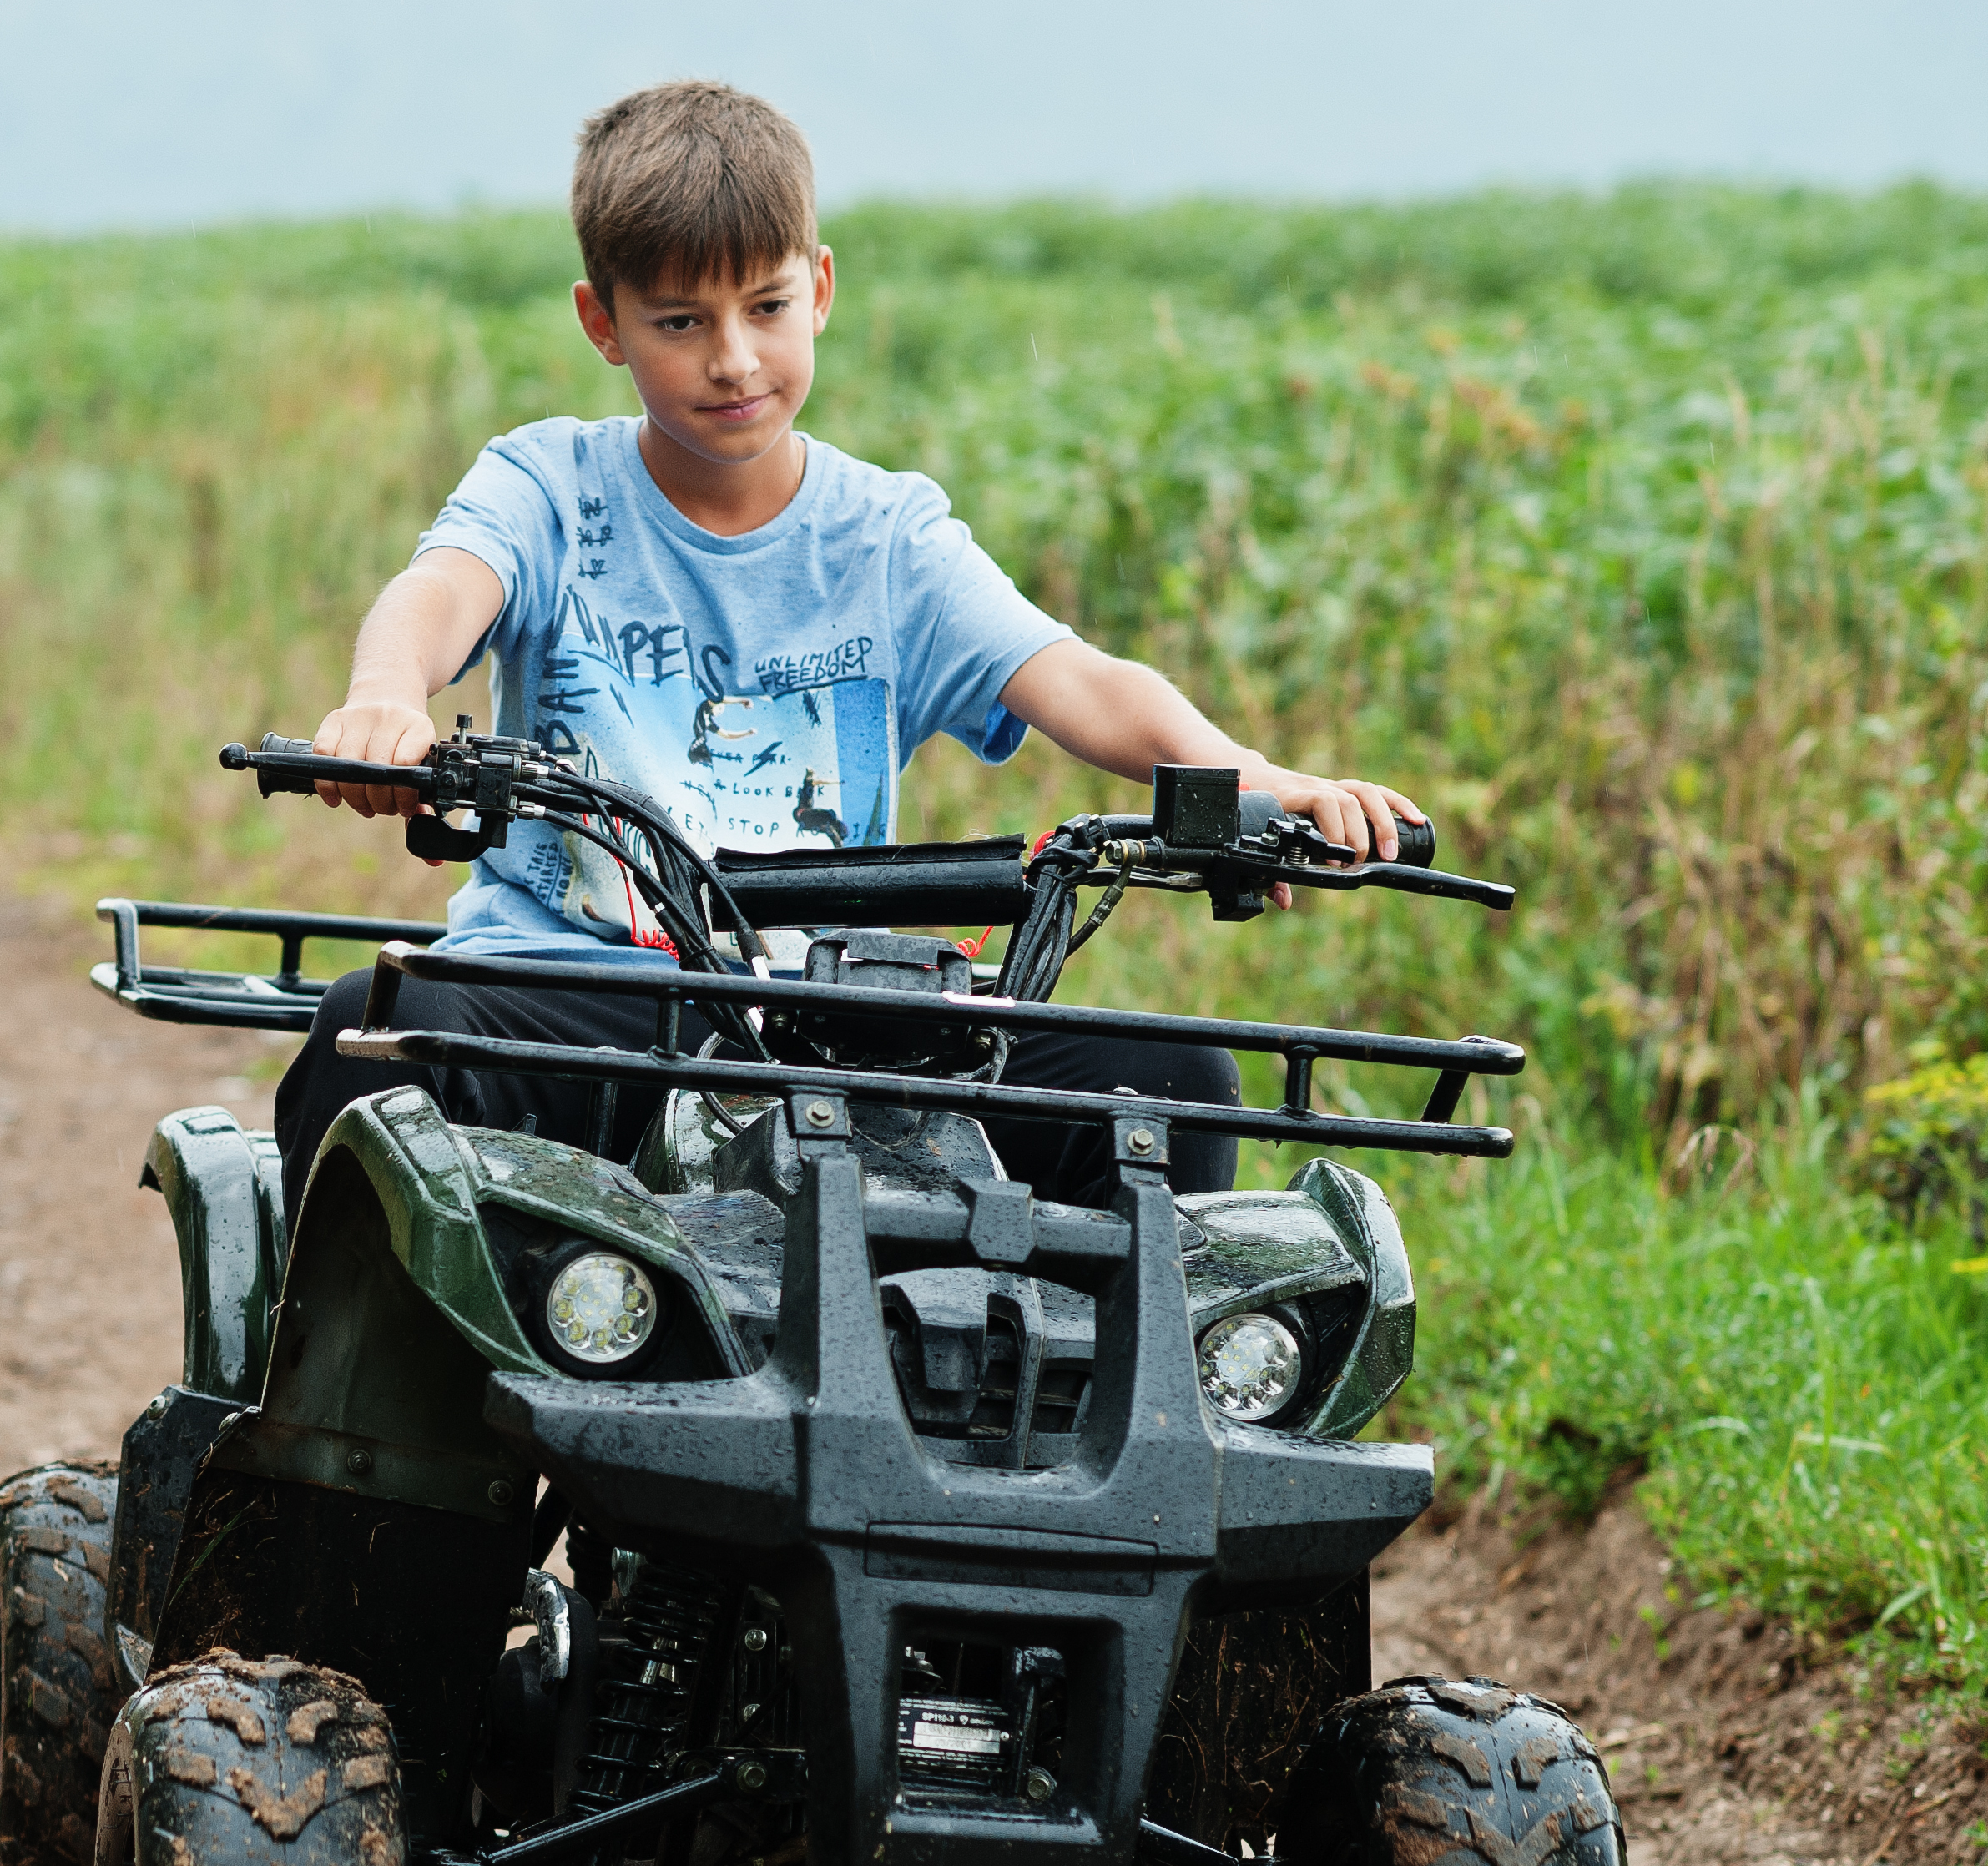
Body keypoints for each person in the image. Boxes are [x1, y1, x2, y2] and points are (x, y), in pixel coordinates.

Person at [272, 79, 1420, 1213]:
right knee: (375, 1030)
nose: (733, 359)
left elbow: (1081, 679)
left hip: (824, 1023)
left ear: (818, 290)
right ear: (602, 324)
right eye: (681, 321)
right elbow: (440, 591)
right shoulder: (550, 486)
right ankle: (322, 1379)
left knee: (1168, 1084)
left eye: (764, 308)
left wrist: (1264, 786)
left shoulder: (889, 538)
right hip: (573, 1004)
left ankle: (1062, 1392)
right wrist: (385, 697)